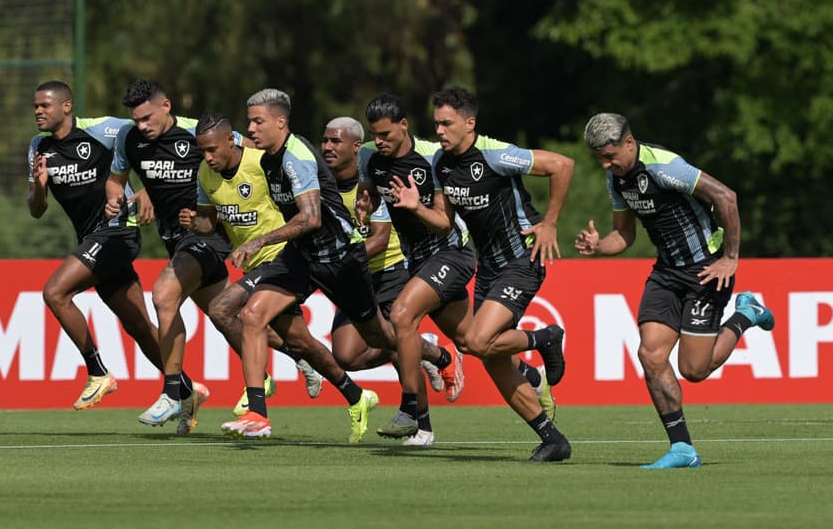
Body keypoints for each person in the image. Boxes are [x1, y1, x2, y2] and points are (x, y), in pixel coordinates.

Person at [106, 80, 320, 434]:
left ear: (166, 106)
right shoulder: (129, 139)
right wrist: (121, 195)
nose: (141, 125)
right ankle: (302, 356)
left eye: (147, 117)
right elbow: (115, 180)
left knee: (163, 296)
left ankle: (174, 392)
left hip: (211, 234)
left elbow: (254, 153)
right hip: (176, 240)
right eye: (136, 119)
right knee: (227, 317)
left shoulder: (198, 134)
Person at [575, 112, 775, 469]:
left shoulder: (666, 168)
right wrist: (599, 246)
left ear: (629, 143)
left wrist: (730, 257)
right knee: (651, 355)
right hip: (666, 272)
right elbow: (625, 235)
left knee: (694, 370)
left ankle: (746, 314)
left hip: (706, 271)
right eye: (599, 159)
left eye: (610, 156)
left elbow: (726, 197)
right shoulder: (616, 180)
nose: (606, 164)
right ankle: (682, 448)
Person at [394, 86, 573, 462]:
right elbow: (444, 223)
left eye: (447, 123)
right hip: (490, 268)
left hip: (522, 259)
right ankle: (552, 439)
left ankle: (546, 338)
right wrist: (415, 208)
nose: (439, 130)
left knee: (473, 341)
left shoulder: (495, 153)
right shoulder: (440, 164)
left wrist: (550, 223)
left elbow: (562, 165)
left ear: (469, 123)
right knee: (490, 356)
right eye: (436, 123)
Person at [187, 105, 384, 443]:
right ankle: (355, 395)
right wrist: (196, 223)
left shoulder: (260, 162)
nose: (206, 157)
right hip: (277, 260)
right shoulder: (206, 175)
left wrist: (263, 239)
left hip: (281, 254)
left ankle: (259, 400)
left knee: (227, 308)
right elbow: (208, 221)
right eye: (201, 150)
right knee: (301, 341)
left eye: (211, 149)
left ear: (230, 142)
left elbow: (308, 206)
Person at [26, 80, 163, 410]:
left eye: (45, 105)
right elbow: (36, 210)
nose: (38, 112)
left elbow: (158, 139)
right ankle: (185, 388)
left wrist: (147, 190)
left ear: (66, 107)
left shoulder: (105, 130)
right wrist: (41, 188)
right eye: (35, 107)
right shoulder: (38, 146)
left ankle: (98, 372)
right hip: (93, 240)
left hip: (118, 230)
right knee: (139, 326)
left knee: (55, 293)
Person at [322, 116, 450, 446]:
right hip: (355, 276)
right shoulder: (321, 182)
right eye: (325, 141)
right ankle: (433, 353)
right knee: (346, 356)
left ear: (356, 148)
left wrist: (337, 258)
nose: (328, 147)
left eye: (336, 142)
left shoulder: (373, 174)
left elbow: (379, 239)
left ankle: (422, 426)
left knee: (397, 342)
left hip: (390, 270)